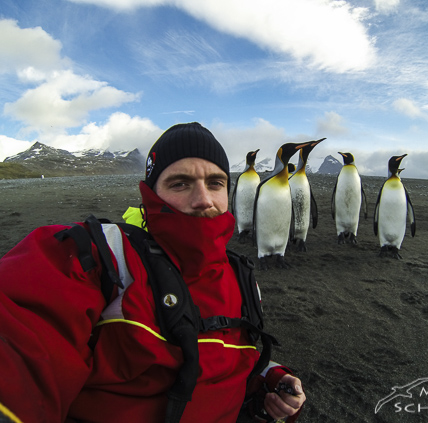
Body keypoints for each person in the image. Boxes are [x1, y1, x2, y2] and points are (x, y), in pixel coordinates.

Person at [0, 122, 305, 423]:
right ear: (150, 194)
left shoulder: (242, 279)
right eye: (180, 183)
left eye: (215, 183)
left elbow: (230, 362)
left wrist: (269, 380)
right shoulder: (98, 256)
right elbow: (21, 334)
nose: (203, 200)